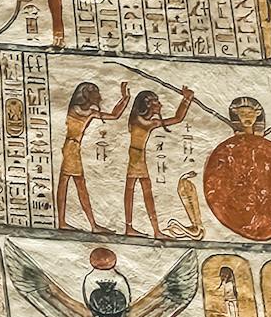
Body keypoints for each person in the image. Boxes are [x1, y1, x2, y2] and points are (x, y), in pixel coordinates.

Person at [56, 81, 128, 232]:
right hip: (71, 148)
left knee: (69, 184)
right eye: (97, 94)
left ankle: (74, 222)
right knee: (76, 185)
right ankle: (88, 224)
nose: (100, 97)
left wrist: (125, 98)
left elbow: (114, 115)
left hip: (72, 147)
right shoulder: (78, 109)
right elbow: (112, 115)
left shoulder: (88, 111)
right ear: (87, 95)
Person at [123, 87, 193, 236]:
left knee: (137, 190)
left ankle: (147, 229)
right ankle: (146, 229)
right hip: (136, 158)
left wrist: (187, 99)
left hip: (137, 156)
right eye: (157, 102)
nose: (160, 105)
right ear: (148, 105)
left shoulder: (144, 120)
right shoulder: (140, 120)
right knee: (140, 191)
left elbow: (177, 118)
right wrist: (186, 99)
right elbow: (177, 118)